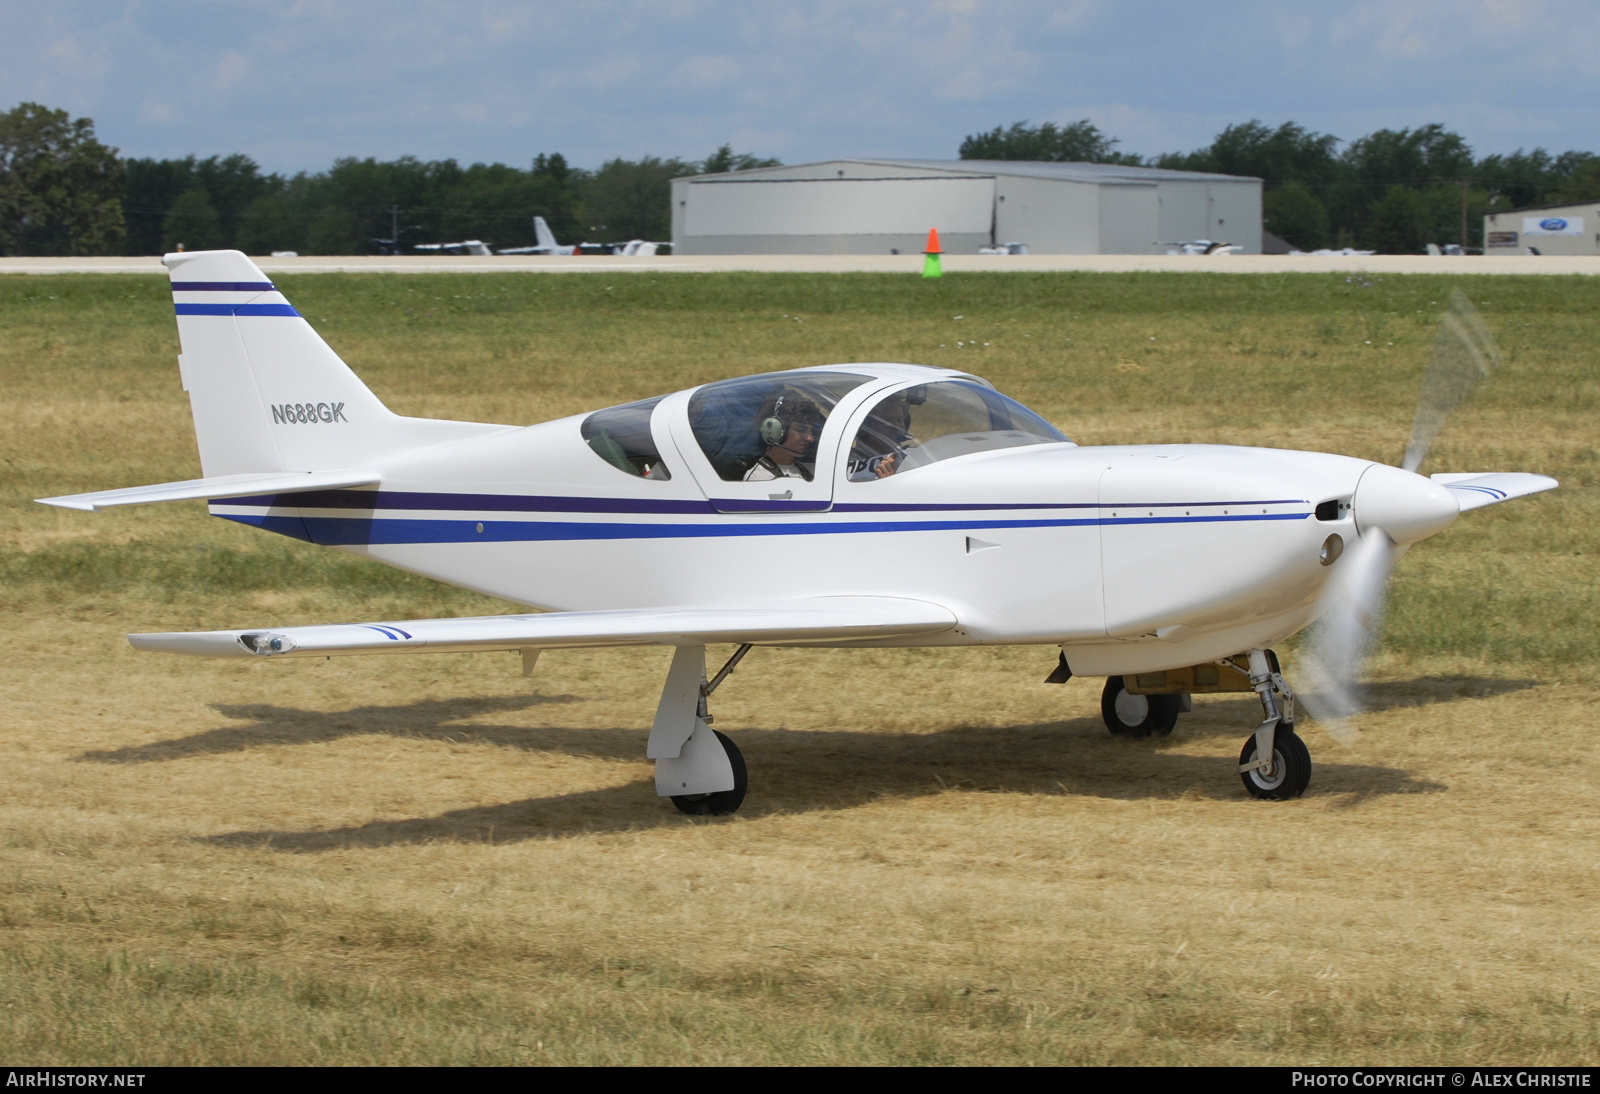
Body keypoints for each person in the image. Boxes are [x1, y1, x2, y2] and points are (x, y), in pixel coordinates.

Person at [744, 392, 822, 481]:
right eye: (801, 430)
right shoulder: (759, 478)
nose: (810, 438)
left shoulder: (814, 471)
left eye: (811, 431)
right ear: (774, 431)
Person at [847, 389, 914, 481]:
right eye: (887, 422)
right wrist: (888, 482)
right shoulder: (853, 468)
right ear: (866, 425)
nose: (897, 427)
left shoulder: (905, 455)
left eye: (899, 420)